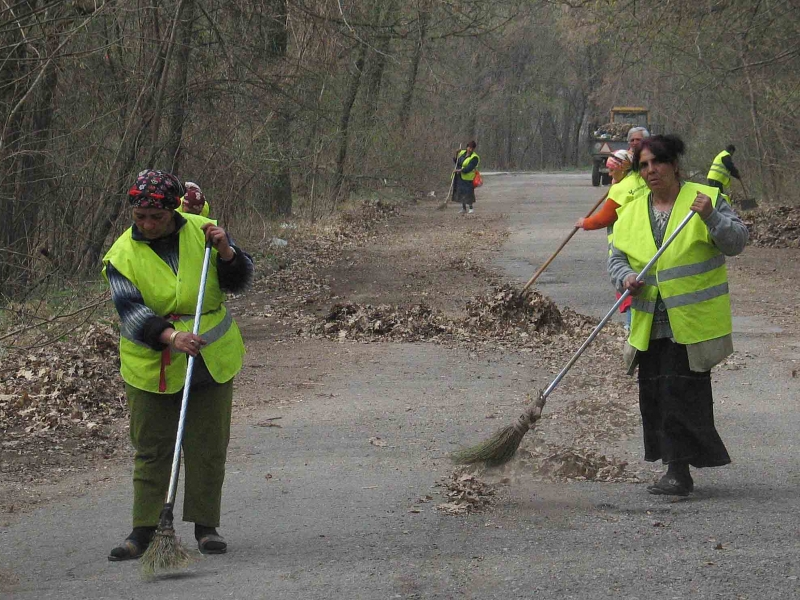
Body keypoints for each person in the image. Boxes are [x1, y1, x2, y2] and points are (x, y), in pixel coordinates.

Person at [103, 169, 254, 560]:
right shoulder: (121, 254)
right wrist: (171, 337)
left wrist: (227, 253)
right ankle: (144, 531)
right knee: (152, 448)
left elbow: (238, 281)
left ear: (174, 211)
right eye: (140, 217)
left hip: (212, 360)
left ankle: (207, 528)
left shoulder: (204, 231)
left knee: (207, 447)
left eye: (157, 217)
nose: (148, 224)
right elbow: (130, 312)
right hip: (150, 366)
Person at [608, 134, 748, 496]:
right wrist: (624, 278)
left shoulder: (705, 199)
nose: (651, 170)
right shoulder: (633, 211)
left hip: (691, 322)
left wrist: (711, 217)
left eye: (658, 162)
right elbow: (616, 257)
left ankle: (679, 471)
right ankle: (673, 463)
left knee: (679, 391)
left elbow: (736, 242)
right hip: (648, 320)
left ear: (674, 165)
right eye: (643, 165)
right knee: (655, 393)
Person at [575, 149, 638, 327]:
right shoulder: (639, 180)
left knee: (629, 289)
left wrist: (584, 223)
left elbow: (604, 218)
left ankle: (630, 327)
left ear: (624, 168)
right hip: (641, 242)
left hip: (626, 246)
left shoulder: (620, 189)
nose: (609, 173)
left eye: (612, 169)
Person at [452, 141, 480, 214]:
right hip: (460, 176)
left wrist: (460, 170)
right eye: (468, 147)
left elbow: (469, 168)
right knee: (461, 192)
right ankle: (463, 208)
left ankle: (471, 208)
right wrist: (456, 153)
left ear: (473, 149)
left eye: (471, 148)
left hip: (468, 177)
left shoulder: (474, 157)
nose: (469, 149)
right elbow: (456, 162)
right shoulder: (462, 153)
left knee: (468, 192)